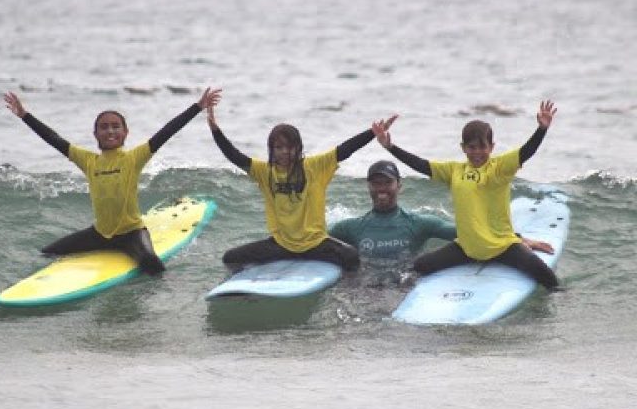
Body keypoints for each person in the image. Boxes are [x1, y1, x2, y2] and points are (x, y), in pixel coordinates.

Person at [3, 87, 221, 275]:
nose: (110, 130)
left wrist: (197, 107)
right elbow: (54, 139)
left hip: (132, 234)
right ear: (95, 134)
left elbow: (166, 132)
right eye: (104, 127)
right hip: (99, 234)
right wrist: (24, 115)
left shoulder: (134, 158)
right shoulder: (88, 161)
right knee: (49, 252)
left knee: (152, 265)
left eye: (116, 126)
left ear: (125, 133)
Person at [371, 101, 560, 290]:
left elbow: (526, 151)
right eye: (471, 147)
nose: (477, 152)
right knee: (417, 266)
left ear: (492, 147)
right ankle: (384, 293)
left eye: (482, 147)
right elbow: (421, 165)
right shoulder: (455, 170)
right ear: (463, 147)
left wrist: (541, 129)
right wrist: (390, 147)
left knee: (547, 277)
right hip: (467, 249)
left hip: (502, 248)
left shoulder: (500, 167)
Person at [205, 102, 398, 271]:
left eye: (289, 147)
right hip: (281, 245)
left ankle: (349, 289)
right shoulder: (264, 171)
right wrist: (215, 130)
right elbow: (234, 156)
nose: (284, 152)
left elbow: (346, 149)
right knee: (230, 258)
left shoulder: (315, 166)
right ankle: (244, 285)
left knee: (350, 256)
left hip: (315, 244)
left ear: (298, 147)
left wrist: (372, 133)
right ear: (271, 149)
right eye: (278, 147)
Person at [329, 159, 553, 266]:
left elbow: (469, 232)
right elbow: (319, 240)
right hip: (363, 286)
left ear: (399, 185)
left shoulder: (418, 223)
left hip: (405, 282)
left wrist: (520, 240)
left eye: (387, 183)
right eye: (375, 183)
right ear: (368, 187)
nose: (381, 190)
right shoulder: (351, 228)